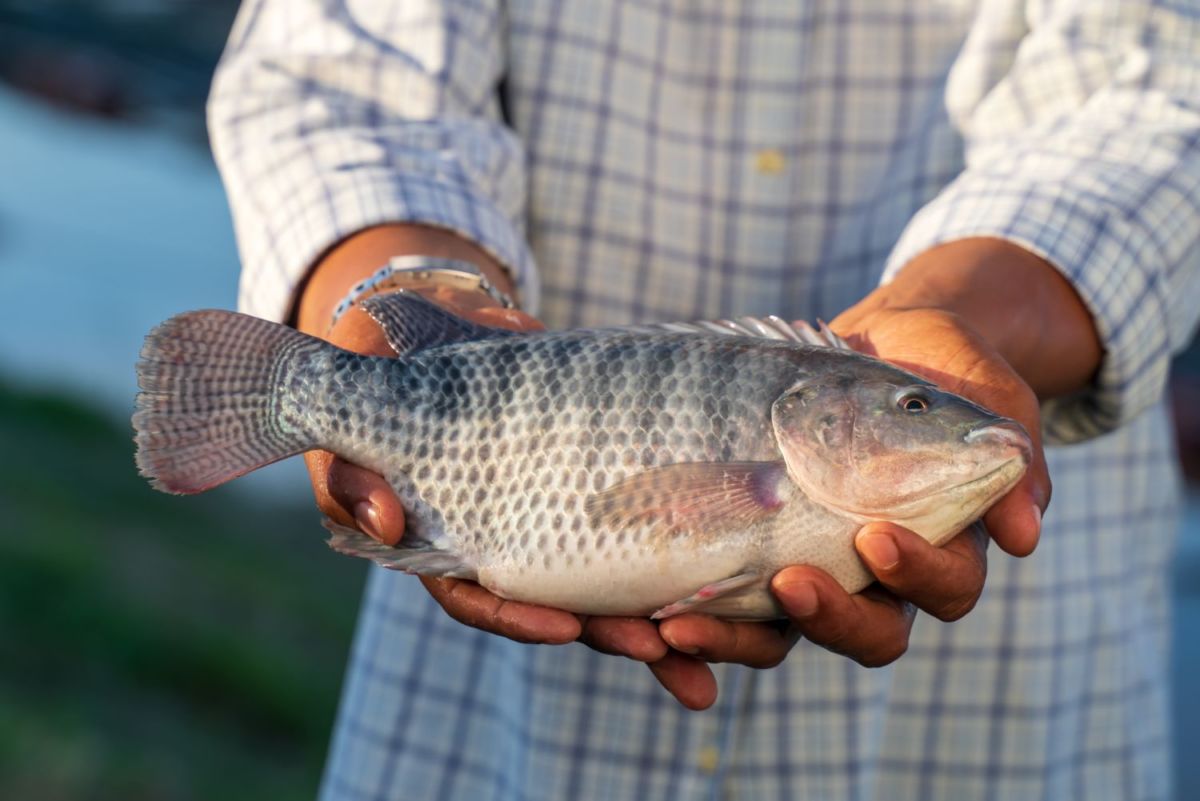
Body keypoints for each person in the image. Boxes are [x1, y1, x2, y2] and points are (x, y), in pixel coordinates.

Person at [208, 2, 1199, 799]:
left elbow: (1163, 85)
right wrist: (403, 280)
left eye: (912, 410)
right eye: (911, 410)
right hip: (486, 724)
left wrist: (970, 312)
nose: (946, 428)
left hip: (1006, 710)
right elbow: (342, 66)